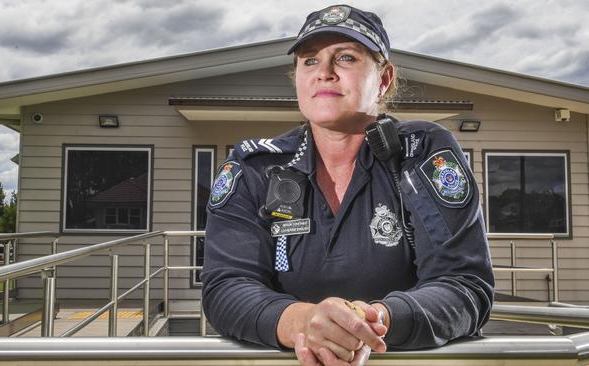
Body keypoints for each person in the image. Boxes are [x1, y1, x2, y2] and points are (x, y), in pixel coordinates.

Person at [201, 4, 494, 365]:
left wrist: (370, 322)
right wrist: (305, 322)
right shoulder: (256, 167)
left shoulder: (420, 154)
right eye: (309, 60)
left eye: (345, 58)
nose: (324, 73)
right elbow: (225, 288)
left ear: (383, 79)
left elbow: (464, 287)